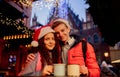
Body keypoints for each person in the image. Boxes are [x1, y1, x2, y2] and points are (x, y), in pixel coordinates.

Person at [26, 18, 100, 77]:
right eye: (57, 33)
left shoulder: (84, 46)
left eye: (63, 30)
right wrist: (32, 55)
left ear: (68, 29)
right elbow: (43, 50)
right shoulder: (55, 48)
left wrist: (88, 72)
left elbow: (96, 71)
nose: (61, 35)